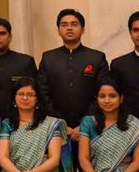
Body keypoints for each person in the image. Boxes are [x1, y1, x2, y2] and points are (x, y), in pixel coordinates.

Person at [38, 9, 111, 138]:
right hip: (55, 127)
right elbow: (43, 93)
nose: (69, 28)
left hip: (92, 126)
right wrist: (59, 123)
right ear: (58, 30)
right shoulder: (48, 58)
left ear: (82, 29)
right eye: (64, 25)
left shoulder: (96, 57)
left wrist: (85, 122)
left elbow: (103, 91)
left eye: (74, 24)